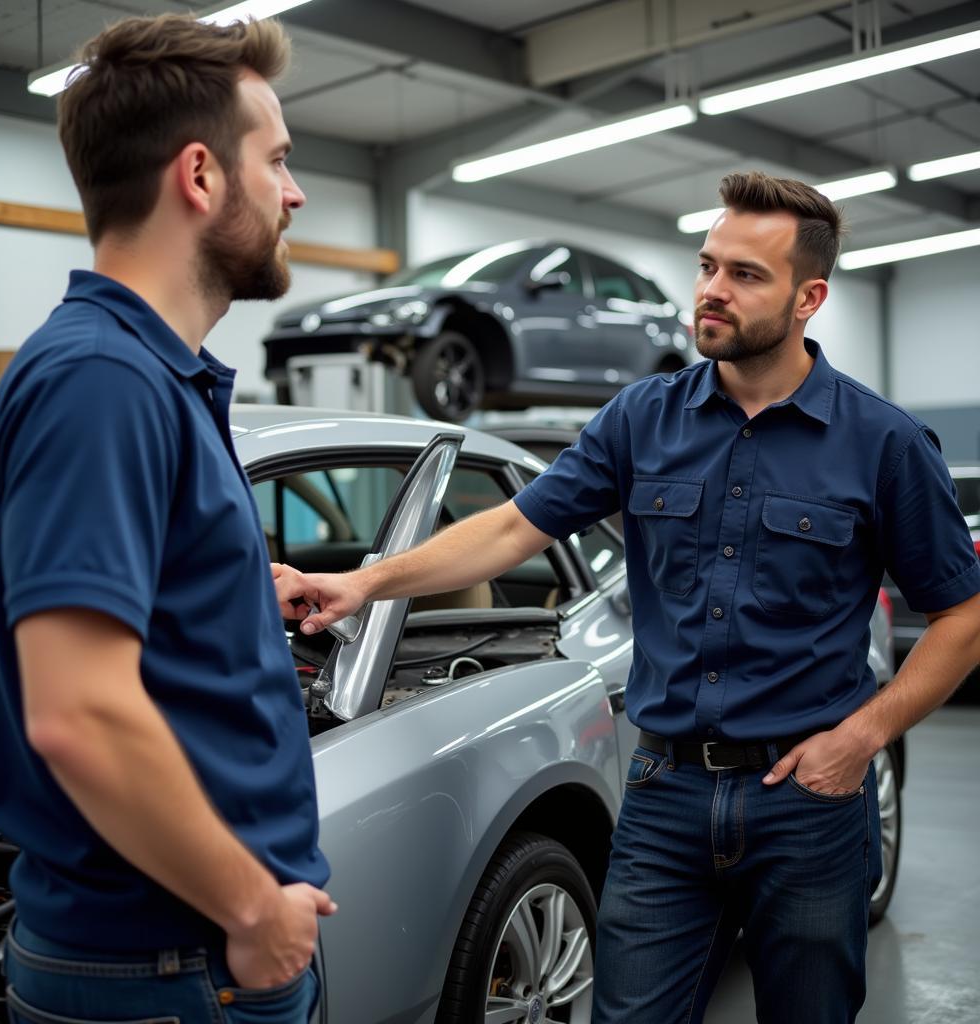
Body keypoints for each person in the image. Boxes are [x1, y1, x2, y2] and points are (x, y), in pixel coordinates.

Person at [274, 171, 980, 1022]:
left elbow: (964, 615)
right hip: (665, 795)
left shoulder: (884, 443)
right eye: (708, 265)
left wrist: (862, 738)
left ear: (809, 298)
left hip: (807, 803)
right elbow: (510, 529)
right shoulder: (641, 419)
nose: (712, 291)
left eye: (746, 276)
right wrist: (363, 581)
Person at [0, 14, 334, 1023]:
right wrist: (254, 907)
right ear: (201, 176)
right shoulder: (104, 380)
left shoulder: (141, 375)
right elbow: (78, 715)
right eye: (279, 162)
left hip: (173, 964)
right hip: (170, 966)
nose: (295, 194)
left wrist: (221, 594)